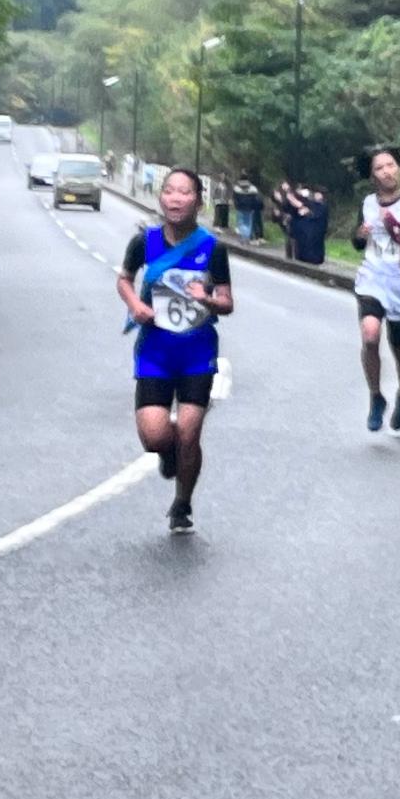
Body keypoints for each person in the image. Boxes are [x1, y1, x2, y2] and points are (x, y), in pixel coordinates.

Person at [116, 168, 234, 534]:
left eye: (185, 192)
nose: (176, 198)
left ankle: (182, 502)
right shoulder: (144, 242)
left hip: (197, 351)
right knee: (154, 437)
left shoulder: (213, 248)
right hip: (155, 350)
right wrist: (135, 304)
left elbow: (228, 302)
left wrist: (208, 299)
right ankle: (169, 454)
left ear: (198, 201)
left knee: (188, 431)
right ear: (161, 197)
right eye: (169, 191)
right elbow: (124, 279)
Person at [352, 146, 400, 433]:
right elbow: (357, 243)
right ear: (372, 175)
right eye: (379, 168)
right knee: (370, 335)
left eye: (390, 165)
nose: (386, 172)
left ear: (399, 168)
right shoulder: (367, 204)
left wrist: (398, 229)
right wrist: (360, 234)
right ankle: (376, 396)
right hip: (371, 279)